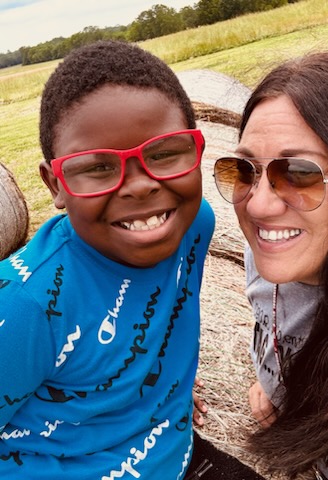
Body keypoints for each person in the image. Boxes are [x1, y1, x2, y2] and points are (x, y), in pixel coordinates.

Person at [0, 40, 216, 479]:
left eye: (163, 153)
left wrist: (149, 386)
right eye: (98, 167)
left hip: (176, 455)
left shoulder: (195, 226)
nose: (139, 187)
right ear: (54, 184)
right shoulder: (23, 309)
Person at [213, 51, 328, 479]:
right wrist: (278, 385)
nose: (258, 205)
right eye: (244, 169)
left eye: (298, 172)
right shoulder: (264, 258)